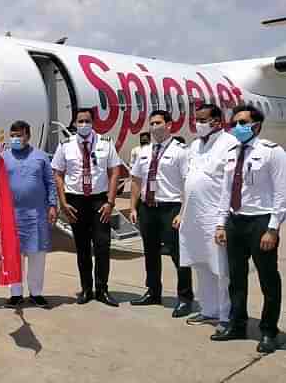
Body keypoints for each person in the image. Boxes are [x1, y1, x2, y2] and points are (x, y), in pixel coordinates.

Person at [212, 105, 286, 354]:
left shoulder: (272, 152)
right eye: (234, 123)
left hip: (260, 223)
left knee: (268, 278)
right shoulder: (232, 153)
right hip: (235, 221)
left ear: (256, 125)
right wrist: (221, 223)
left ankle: (268, 331)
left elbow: (281, 193)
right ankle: (237, 324)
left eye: (242, 122)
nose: (236, 127)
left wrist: (273, 229)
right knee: (236, 277)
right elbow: (226, 191)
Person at [52, 108, 121, 307]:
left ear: (93, 122)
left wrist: (110, 201)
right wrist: (63, 202)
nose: (84, 124)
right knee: (82, 247)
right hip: (76, 201)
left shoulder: (105, 143)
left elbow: (115, 171)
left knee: (102, 245)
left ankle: (102, 289)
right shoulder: (65, 145)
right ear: (75, 123)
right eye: (80, 121)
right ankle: (86, 289)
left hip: (99, 200)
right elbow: (57, 173)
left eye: (87, 120)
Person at [177, 104, 238, 330]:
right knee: (201, 264)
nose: (198, 123)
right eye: (197, 119)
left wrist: (223, 222)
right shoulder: (194, 146)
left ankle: (225, 315)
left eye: (203, 119)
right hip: (194, 216)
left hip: (215, 216)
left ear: (217, 121)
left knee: (220, 269)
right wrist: (182, 213)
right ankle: (208, 310)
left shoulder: (229, 144)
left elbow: (229, 186)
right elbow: (190, 180)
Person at [129, 110, 194, 317]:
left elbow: (188, 183)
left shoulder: (181, 151)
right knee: (150, 252)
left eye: (157, 123)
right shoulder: (144, 151)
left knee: (178, 254)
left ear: (169, 125)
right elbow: (137, 180)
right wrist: (132, 207)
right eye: (151, 123)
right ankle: (153, 291)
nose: (153, 127)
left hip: (171, 208)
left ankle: (185, 297)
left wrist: (183, 212)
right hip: (147, 207)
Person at [1, 121, 58, 309]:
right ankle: (15, 294)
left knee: (37, 255)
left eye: (19, 135)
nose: (15, 139)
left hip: (37, 214)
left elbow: (50, 183)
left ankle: (36, 293)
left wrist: (52, 205)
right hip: (12, 216)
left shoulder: (41, 157)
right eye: (13, 135)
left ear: (28, 136)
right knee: (14, 255)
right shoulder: (3, 158)